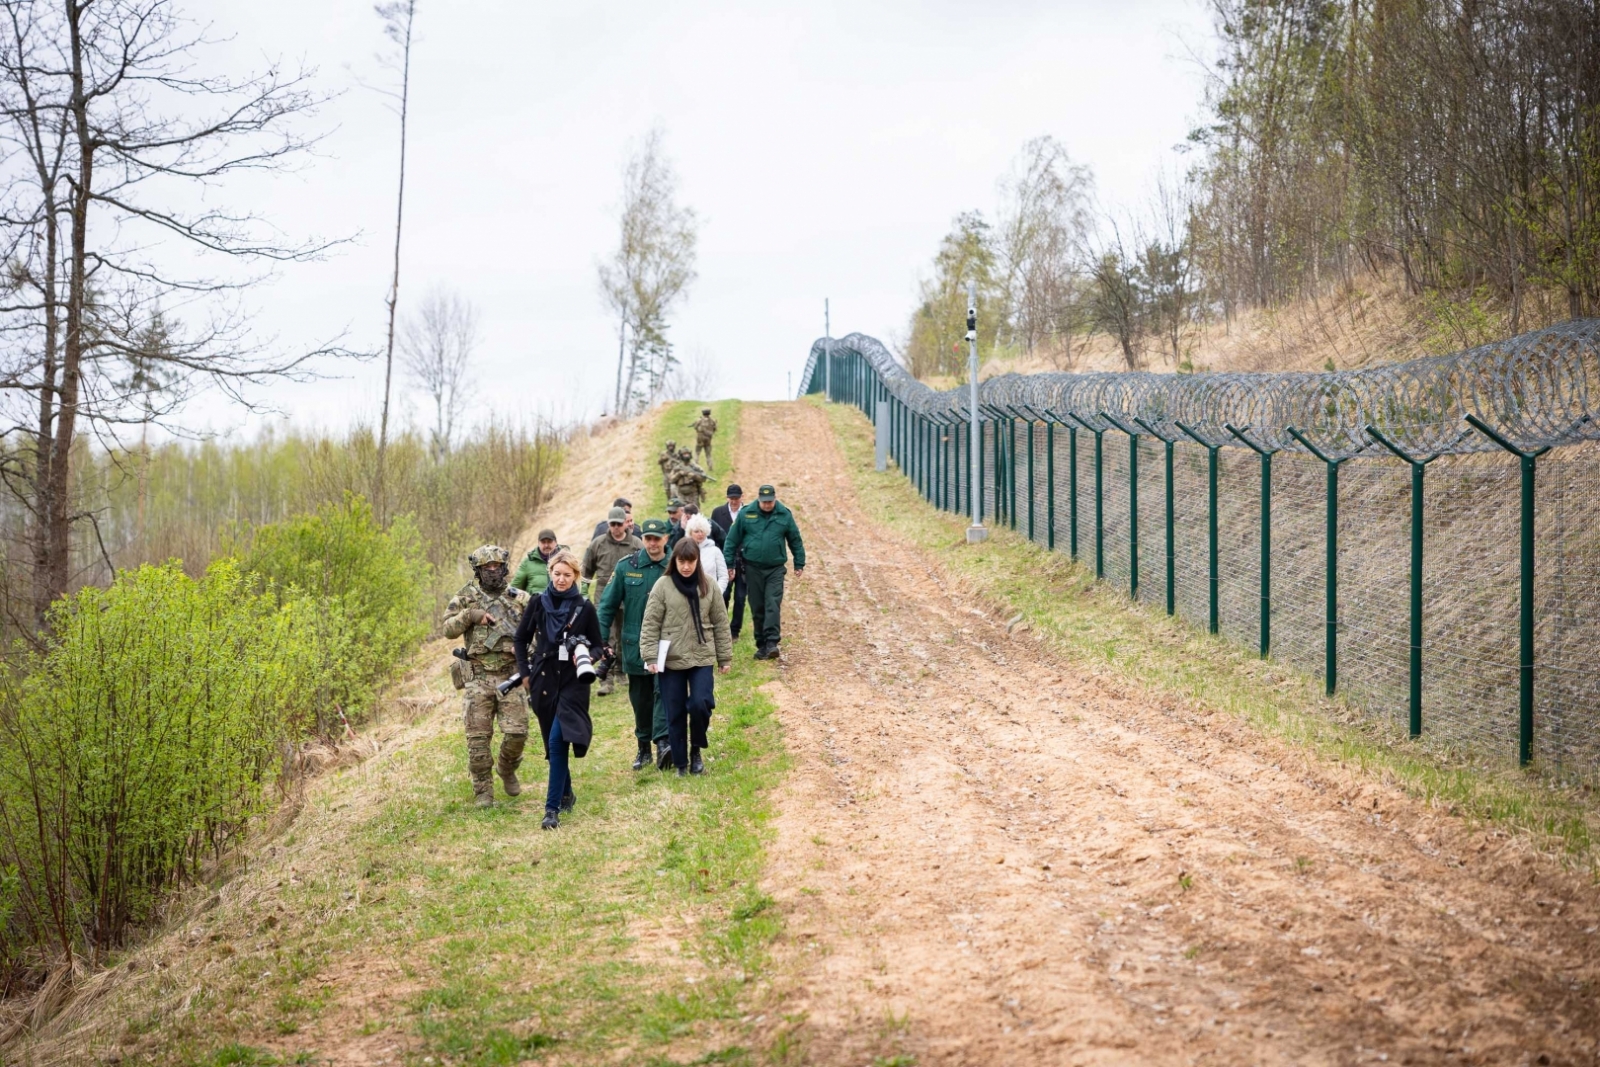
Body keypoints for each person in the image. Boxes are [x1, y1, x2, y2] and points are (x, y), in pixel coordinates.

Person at [513, 551, 603, 831]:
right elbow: (520, 638)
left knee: (557, 741)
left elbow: (599, 645)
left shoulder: (584, 607)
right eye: (557, 574)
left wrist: (585, 654)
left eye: (567, 575)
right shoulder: (538, 603)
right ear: (550, 572)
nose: (561, 579)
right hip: (542, 680)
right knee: (554, 748)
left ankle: (551, 811)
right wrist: (525, 674)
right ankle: (566, 793)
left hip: (573, 683)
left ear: (576, 576)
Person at [442, 545, 533, 808]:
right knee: (478, 740)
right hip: (478, 676)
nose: (492, 572)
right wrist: (470, 616)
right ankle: (483, 791)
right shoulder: (465, 596)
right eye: (486, 568)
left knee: (517, 733)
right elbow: (447, 628)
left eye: (496, 567)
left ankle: (506, 768)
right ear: (478, 570)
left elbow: (536, 630)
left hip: (511, 675)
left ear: (504, 567)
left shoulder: (519, 598)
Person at [640, 538, 732, 775]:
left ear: (697, 561)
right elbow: (650, 623)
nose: (686, 567)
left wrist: (724, 658)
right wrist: (650, 656)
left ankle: (696, 751)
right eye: (682, 561)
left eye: (691, 561)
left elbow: (721, 623)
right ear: (675, 561)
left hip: (701, 656)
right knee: (675, 709)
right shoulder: (663, 585)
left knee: (701, 703)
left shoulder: (709, 585)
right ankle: (681, 763)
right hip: (671, 658)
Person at [597, 517, 674, 770]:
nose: (652, 543)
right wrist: (601, 639)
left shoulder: (677, 565)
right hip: (635, 644)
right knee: (641, 699)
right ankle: (644, 747)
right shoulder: (626, 567)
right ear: (643, 540)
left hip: (667, 644)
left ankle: (663, 743)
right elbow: (607, 606)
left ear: (666, 539)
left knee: (663, 691)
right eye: (648, 539)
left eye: (657, 539)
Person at [723, 484, 805, 660]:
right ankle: (761, 644)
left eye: (770, 502)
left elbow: (795, 540)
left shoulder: (784, 514)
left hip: (775, 569)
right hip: (752, 569)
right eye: (764, 502)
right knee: (757, 606)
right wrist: (729, 564)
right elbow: (731, 540)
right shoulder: (747, 514)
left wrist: (799, 563)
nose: (767, 505)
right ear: (758, 500)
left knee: (772, 603)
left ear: (774, 499)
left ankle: (772, 643)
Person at [582, 506, 643, 696]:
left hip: (628, 597)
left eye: (619, 524)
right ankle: (605, 679)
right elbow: (586, 569)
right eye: (613, 524)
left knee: (624, 635)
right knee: (603, 637)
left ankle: (621, 672)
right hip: (603, 597)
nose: (616, 528)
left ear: (626, 523)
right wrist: (583, 592)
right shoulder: (598, 544)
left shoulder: (636, 544)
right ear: (608, 524)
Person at [711, 485, 747, 639]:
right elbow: (713, 535)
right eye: (731, 498)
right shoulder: (718, 513)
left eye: (736, 498)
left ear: (741, 497)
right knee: (723, 595)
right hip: (724, 560)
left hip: (744, 562)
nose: (734, 501)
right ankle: (722, 627)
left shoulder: (748, 512)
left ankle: (734, 631)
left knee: (740, 597)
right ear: (727, 497)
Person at [511, 530, 567, 594]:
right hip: (535, 603)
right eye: (543, 542)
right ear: (538, 543)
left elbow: (577, 585)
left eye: (549, 542)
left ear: (556, 542)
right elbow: (514, 588)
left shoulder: (566, 560)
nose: (546, 545)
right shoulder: (528, 562)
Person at [685, 514, 728, 593]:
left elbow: (723, 576)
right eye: (696, 531)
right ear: (690, 533)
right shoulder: (684, 551)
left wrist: (717, 593)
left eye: (702, 531)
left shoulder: (715, 551)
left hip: (711, 596)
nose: (700, 534)